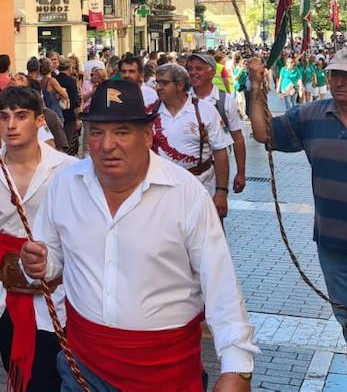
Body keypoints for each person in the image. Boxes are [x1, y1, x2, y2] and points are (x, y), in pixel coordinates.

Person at [19, 80, 257, 390]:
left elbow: (220, 285)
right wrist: (36, 264)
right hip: (83, 369)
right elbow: (49, 260)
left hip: (166, 374)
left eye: (121, 132)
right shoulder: (65, 184)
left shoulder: (186, 194)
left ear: (147, 135)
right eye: (97, 132)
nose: (107, 145)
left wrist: (237, 367)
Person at [246, 47, 347, 392]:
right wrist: (254, 86)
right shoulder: (311, 116)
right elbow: (264, 134)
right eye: (335, 74)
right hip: (333, 247)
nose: (338, 81)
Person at [0, 86, 77, 390]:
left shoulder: (69, 171)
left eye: (21, 116)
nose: (11, 124)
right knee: (20, 379)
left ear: (40, 121)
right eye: (5, 116)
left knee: (51, 381)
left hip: (60, 301)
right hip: (4, 297)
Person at [151, 62, 231, 220]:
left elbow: (220, 152)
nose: (158, 87)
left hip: (199, 189)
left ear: (180, 85)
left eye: (164, 83)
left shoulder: (205, 110)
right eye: (157, 82)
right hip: (160, 192)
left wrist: (221, 192)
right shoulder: (150, 111)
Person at [187, 51, 248, 195]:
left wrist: (241, 173)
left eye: (199, 69)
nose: (193, 73)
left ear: (211, 72)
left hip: (216, 171)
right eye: (190, 69)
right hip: (188, 172)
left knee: (214, 213)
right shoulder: (183, 98)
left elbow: (237, 137)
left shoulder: (225, 101)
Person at [55, 59, 82, 154]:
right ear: (69, 68)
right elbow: (75, 100)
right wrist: (78, 118)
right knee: (68, 140)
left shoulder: (55, 79)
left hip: (57, 113)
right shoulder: (71, 81)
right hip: (69, 114)